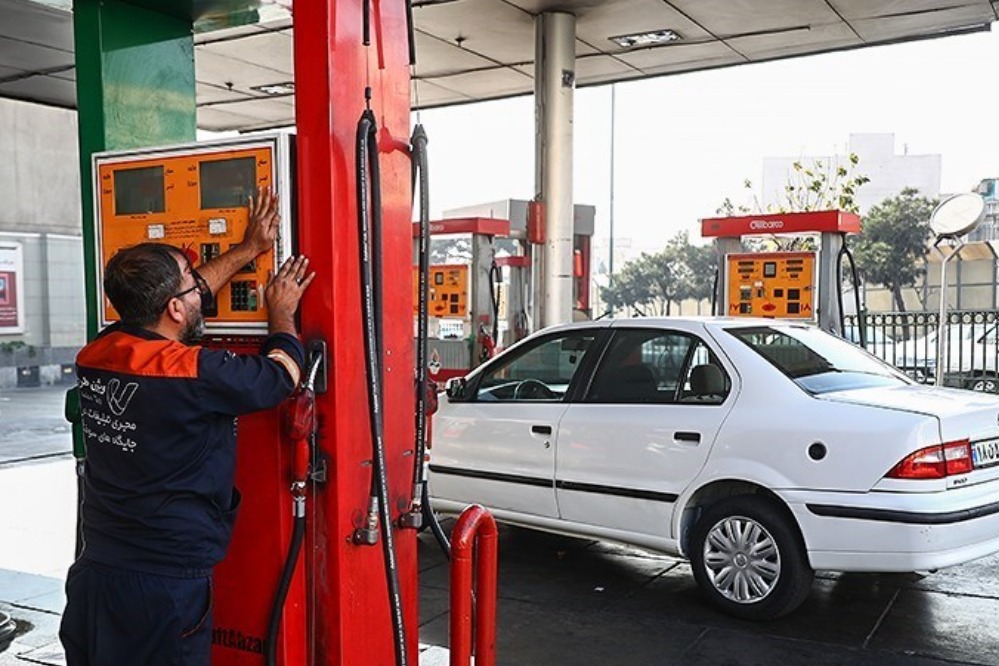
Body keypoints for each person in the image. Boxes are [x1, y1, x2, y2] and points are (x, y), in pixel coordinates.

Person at [59, 187, 316, 666]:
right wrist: (281, 312)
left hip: (97, 571)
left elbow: (182, 297)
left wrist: (247, 250)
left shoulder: (98, 353)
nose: (199, 286)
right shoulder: (196, 373)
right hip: (164, 585)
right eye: (188, 282)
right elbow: (280, 376)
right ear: (176, 309)